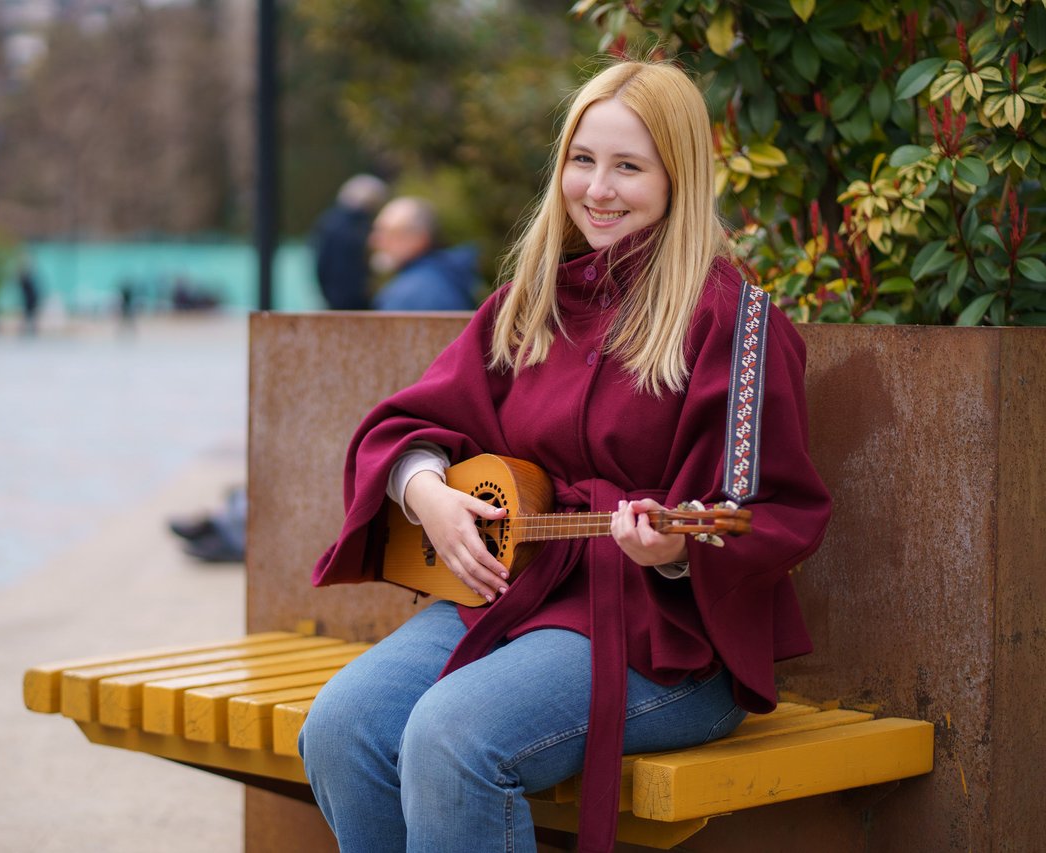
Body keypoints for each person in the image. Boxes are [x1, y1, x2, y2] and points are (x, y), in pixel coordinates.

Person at [298, 59, 833, 853]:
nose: (599, 188)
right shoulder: (528, 304)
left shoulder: (736, 322)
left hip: (668, 646)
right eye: (583, 161)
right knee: (344, 725)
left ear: (678, 176)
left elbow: (773, 513)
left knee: (452, 737)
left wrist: (678, 553)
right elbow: (408, 422)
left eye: (629, 166)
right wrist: (428, 495)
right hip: (514, 599)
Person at [369, 196, 478, 311]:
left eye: (388, 232)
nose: (375, 241)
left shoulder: (410, 294)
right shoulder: (448, 275)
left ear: (420, 239)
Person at [312, 174, 390, 310]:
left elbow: (321, 266)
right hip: (356, 300)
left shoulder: (328, 221)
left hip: (334, 297)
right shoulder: (359, 226)